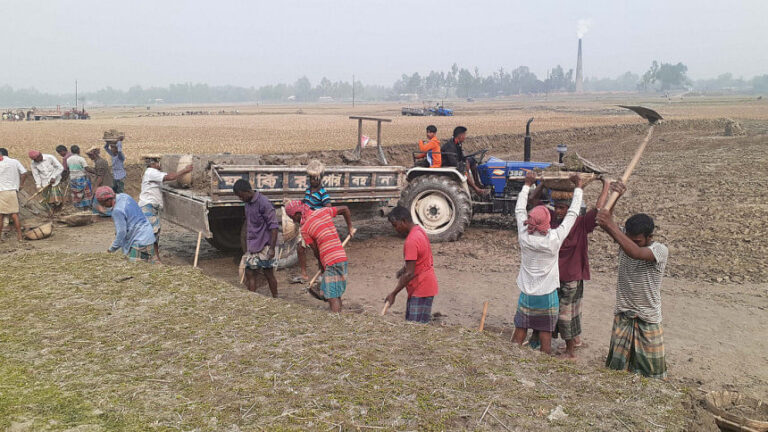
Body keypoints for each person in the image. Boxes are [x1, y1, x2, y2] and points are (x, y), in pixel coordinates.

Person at [529, 178, 613, 358]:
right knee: (551, 310)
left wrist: (605, 185)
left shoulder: (581, 223)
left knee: (567, 315)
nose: (558, 212)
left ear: (571, 209)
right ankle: (570, 341)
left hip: (572, 277)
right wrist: (542, 184)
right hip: (551, 277)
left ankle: (571, 351)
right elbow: (533, 203)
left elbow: (599, 209)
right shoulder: (549, 221)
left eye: (562, 208)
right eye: (556, 207)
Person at [597, 191, 668, 379]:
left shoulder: (659, 250)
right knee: (618, 374)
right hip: (624, 314)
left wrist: (611, 225)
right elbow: (605, 219)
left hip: (648, 318)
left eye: (636, 240)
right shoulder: (625, 239)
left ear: (649, 237)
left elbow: (636, 253)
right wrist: (616, 195)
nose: (629, 242)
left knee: (652, 375)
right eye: (627, 237)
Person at [511, 171, 583, 355]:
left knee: (521, 327)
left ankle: (510, 356)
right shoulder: (554, 238)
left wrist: (527, 184)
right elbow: (572, 215)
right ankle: (544, 360)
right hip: (547, 294)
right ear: (548, 222)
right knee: (545, 331)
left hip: (526, 292)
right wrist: (578, 188)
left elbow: (519, 210)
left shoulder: (524, 235)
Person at [284, 200, 355, 313]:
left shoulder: (305, 229)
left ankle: (336, 321)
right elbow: (345, 208)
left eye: (292, 217)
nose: (293, 220)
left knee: (332, 296)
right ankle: (340, 318)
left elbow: (316, 251)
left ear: (298, 213)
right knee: (336, 292)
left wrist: (322, 267)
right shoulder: (323, 211)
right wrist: (350, 227)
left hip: (330, 261)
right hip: (341, 257)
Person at [385, 205, 439, 323]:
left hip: (421, 288)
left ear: (403, 221)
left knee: (413, 329)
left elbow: (409, 274)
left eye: (395, 225)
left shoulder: (411, 241)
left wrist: (393, 294)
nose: (395, 229)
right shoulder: (419, 231)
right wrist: (403, 269)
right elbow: (419, 259)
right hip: (425, 286)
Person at [137, 156, 193, 261]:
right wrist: (185, 170)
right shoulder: (151, 172)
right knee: (153, 233)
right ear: (153, 163)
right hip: (148, 207)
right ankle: (155, 259)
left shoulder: (151, 173)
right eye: (158, 162)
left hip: (149, 206)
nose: (160, 165)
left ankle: (145, 257)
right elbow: (170, 177)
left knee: (151, 232)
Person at [232, 179, 279, 297]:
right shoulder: (247, 204)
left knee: (268, 274)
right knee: (249, 273)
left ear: (247, 191)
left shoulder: (264, 203)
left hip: (265, 245)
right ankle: (253, 299)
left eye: (241, 196)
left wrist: (272, 249)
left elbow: (274, 227)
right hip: (253, 245)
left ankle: (276, 299)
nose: (241, 199)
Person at [95, 186, 158, 263]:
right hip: (148, 233)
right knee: (149, 263)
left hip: (139, 240)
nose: (103, 206)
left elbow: (121, 232)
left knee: (136, 268)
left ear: (108, 200)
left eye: (102, 203)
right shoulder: (124, 196)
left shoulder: (117, 211)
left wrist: (111, 249)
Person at [296, 159, 332, 280]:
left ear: (320, 178)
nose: (312, 181)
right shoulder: (308, 190)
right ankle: (304, 273)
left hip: (316, 226)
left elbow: (328, 209)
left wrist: (316, 215)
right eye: (311, 178)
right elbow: (306, 203)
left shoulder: (323, 193)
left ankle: (322, 271)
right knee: (300, 248)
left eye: (315, 179)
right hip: (306, 225)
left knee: (318, 251)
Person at [441, 126, 486, 195]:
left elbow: (461, 156)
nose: (465, 137)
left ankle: (477, 183)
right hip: (447, 164)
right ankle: (476, 189)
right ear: (460, 136)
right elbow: (453, 162)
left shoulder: (458, 143)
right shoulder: (450, 146)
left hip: (454, 162)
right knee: (463, 169)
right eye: (464, 135)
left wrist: (466, 160)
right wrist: (464, 164)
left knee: (472, 161)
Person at [0, 148, 28, 242]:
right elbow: (24, 173)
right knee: (15, 214)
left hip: (1, 191)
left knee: (1, 215)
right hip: (12, 191)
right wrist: (21, 185)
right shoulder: (15, 162)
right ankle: (19, 237)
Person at [66, 145, 93, 209]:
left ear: (71, 152)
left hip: (73, 179)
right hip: (81, 178)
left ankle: (78, 206)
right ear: (78, 151)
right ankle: (86, 207)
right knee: (85, 193)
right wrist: (95, 172)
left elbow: (68, 168)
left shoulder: (68, 159)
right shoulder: (81, 159)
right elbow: (87, 168)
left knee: (76, 193)